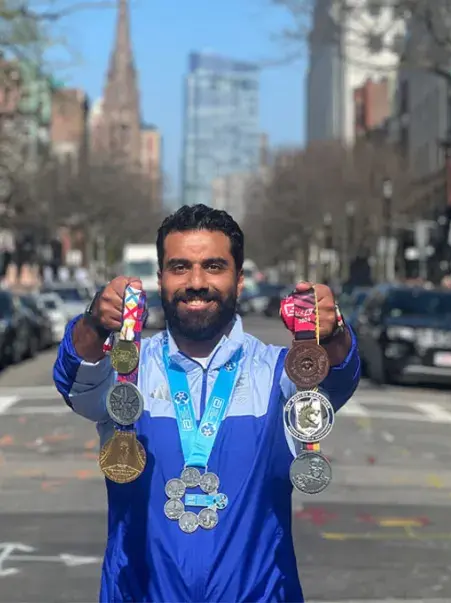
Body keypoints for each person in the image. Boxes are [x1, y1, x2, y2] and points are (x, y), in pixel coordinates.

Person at [53, 204, 361, 603]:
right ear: (160, 278)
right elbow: (75, 380)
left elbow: (337, 378)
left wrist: (332, 332)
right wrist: (94, 322)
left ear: (240, 279)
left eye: (214, 266)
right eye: (180, 267)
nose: (196, 282)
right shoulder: (128, 372)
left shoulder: (278, 373)